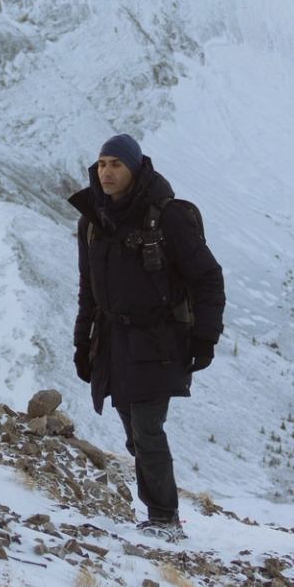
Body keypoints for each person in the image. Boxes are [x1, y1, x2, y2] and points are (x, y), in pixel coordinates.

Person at [70, 134, 224, 529]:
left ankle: (164, 518)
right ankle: (158, 512)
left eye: (116, 164)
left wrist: (205, 337)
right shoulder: (91, 221)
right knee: (133, 430)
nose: (106, 172)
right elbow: (89, 289)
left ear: (135, 168)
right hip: (113, 342)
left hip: (159, 340)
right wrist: (82, 342)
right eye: (102, 163)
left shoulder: (166, 217)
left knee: (147, 428)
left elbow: (208, 276)